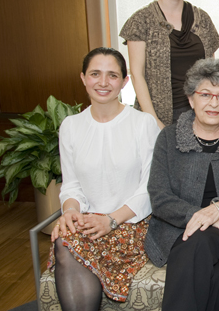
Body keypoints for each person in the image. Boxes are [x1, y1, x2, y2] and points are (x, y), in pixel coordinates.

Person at [144, 58, 219, 311]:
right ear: (191, 99)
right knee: (212, 274)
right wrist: (206, 217)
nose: (214, 103)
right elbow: (159, 197)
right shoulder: (168, 137)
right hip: (179, 229)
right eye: (206, 94)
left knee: (198, 242)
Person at [48, 47, 160, 310]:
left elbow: (150, 188)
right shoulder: (71, 126)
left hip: (132, 223)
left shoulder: (143, 124)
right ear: (83, 78)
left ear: (124, 82)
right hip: (88, 220)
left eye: (112, 75)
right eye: (95, 74)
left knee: (68, 244)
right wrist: (71, 212)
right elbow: (71, 184)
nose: (103, 82)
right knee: (65, 240)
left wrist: (111, 220)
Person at [121, 0, 219, 129]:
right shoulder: (141, 20)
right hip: (155, 115)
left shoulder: (202, 19)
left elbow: (210, 72)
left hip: (197, 115)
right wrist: (154, 121)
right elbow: (137, 74)